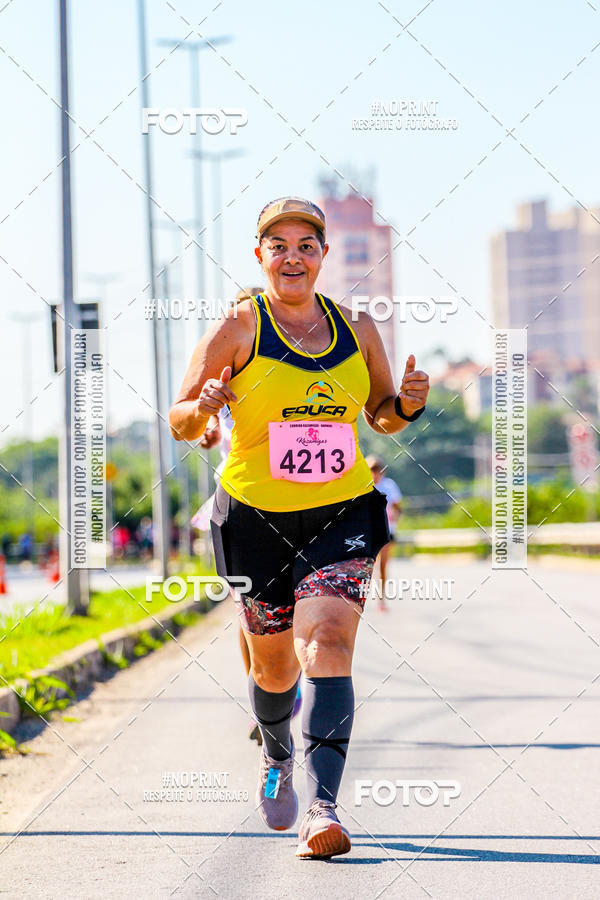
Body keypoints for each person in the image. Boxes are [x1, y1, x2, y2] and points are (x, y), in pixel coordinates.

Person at [169, 196, 429, 859]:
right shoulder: (238, 326)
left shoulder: (357, 327)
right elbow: (181, 421)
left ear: (322, 257)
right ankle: (277, 755)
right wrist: (202, 407)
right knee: (276, 667)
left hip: (341, 510)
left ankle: (323, 807)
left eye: (305, 245)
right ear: (260, 256)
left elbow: (380, 416)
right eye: (277, 245)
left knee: (331, 643)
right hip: (255, 516)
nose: (292, 255)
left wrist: (406, 405)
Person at [364, 456, 402, 611]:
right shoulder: (364, 485)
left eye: (376, 469)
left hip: (387, 530)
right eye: (371, 470)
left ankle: (381, 598)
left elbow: (398, 507)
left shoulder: (389, 486)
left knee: (383, 566)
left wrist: (395, 518)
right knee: (367, 567)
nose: (374, 473)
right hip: (368, 532)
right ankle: (363, 596)